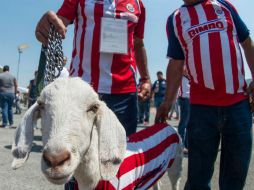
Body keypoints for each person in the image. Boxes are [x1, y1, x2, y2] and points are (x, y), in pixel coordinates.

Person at [35, 0, 151, 189]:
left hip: (124, 94)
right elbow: (59, 23)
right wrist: (48, 25)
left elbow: (138, 43)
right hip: (82, 95)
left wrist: (145, 78)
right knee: (72, 162)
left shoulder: (138, 4)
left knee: (117, 163)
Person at [155, 0, 254, 189]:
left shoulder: (224, 6)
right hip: (202, 110)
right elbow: (176, 62)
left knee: (235, 177)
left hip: (238, 106)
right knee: (198, 179)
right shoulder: (175, 19)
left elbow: (247, 43)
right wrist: (167, 103)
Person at [177, 67, 190, 152]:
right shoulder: (181, 66)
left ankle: (187, 144)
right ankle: (180, 144)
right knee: (184, 123)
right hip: (185, 98)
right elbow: (181, 69)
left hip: (191, 98)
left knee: (189, 123)